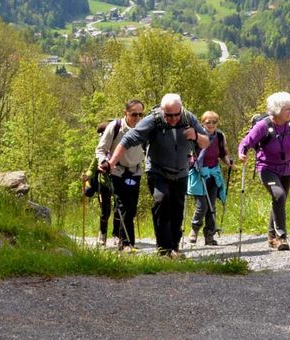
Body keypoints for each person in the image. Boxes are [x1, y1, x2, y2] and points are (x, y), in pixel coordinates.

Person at [106, 93, 208, 257]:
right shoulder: (153, 120)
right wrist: (111, 163)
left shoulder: (189, 118)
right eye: (169, 115)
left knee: (177, 208)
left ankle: (174, 247)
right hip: (157, 170)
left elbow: (206, 142)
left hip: (181, 171)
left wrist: (196, 136)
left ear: (180, 109)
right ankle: (163, 249)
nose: (173, 118)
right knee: (161, 200)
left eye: (176, 114)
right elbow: (127, 140)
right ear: (162, 111)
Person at [237, 91, 290, 251]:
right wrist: (242, 153)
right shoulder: (263, 126)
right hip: (267, 168)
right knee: (279, 195)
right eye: (287, 109)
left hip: (287, 169)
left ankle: (271, 237)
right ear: (277, 111)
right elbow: (245, 143)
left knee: (279, 200)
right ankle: (281, 237)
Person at [95, 99, 145, 251]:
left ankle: (122, 239)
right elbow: (101, 149)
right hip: (117, 171)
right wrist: (103, 162)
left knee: (132, 208)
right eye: (134, 114)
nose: (137, 117)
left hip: (135, 172)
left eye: (140, 114)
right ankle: (126, 243)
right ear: (126, 113)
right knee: (123, 206)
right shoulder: (115, 127)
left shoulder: (144, 128)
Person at [187, 111, 232, 246]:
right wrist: (191, 162)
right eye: (208, 122)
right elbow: (189, 153)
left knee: (211, 205)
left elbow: (223, 154)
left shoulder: (219, 136)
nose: (211, 125)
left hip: (213, 173)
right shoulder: (197, 135)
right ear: (202, 123)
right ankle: (194, 229)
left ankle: (209, 236)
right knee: (202, 205)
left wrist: (229, 163)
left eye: (214, 122)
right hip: (198, 173)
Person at [82, 121, 113, 246]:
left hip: (119, 183)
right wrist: (86, 177)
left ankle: (117, 235)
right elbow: (92, 168)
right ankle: (103, 234)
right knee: (106, 210)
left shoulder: (122, 147)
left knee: (120, 209)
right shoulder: (101, 151)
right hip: (104, 184)